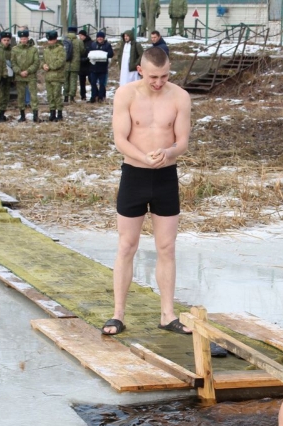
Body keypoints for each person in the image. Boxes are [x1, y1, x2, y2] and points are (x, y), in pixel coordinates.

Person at [103, 46, 191, 336]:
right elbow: (120, 138)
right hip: (134, 176)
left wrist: (168, 152)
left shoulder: (180, 97)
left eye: (165, 76)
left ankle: (167, 314)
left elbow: (182, 142)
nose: (159, 82)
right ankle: (118, 314)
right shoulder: (126, 94)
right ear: (141, 70)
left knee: (167, 247)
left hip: (166, 176)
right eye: (154, 77)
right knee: (127, 245)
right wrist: (143, 158)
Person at [12, 29, 40, 122]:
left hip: (31, 76)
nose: (23, 40)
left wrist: (28, 71)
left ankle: (35, 115)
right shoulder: (15, 49)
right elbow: (13, 63)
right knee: (21, 96)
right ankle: (22, 115)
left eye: (25, 38)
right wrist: (19, 72)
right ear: (19, 39)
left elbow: (36, 63)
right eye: (22, 38)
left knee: (33, 95)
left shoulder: (33, 49)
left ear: (28, 38)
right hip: (20, 76)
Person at [42, 30, 66, 122]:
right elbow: (43, 60)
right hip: (48, 76)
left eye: (52, 40)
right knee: (50, 96)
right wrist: (43, 65)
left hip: (57, 76)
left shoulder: (60, 49)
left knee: (57, 95)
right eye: (49, 40)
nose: (50, 42)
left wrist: (50, 66)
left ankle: (59, 113)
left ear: (55, 39)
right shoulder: (46, 50)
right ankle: (52, 113)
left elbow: (61, 61)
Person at [88, 31, 114, 103]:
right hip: (94, 67)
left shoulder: (107, 45)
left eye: (101, 37)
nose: (99, 38)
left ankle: (101, 97)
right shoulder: (93, 44)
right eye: (98, 37)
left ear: (103, 38)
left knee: (102, 84)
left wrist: (102, 54)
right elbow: (89, 53)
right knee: (93, 83)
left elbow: (111, 54)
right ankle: (93, 97)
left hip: (103, 68)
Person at [63, 26, 82, 103]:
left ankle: (65, 96)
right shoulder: (79, 41)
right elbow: (82, 51)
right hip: (75, 64)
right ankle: (72, 97)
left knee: (65, 80)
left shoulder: (64, 40)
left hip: (65, 64)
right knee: (73, 80)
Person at [0, 31, 14, 120]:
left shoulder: (11, 50)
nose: (6, 42)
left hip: (8, 76)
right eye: (4, 40)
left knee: (5, 96)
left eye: (8, 40)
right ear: (1, 40)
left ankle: (2, 112)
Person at [77, 29, 91, 101]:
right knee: (82, 82)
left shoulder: (90, 43)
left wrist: (86, 59)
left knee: (91, 81)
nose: (80, 37)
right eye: (79, 35)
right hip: (81, 65)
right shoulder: (79, 43)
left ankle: (94, 95)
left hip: (88, 65)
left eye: (81, 35)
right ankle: (83, 96)